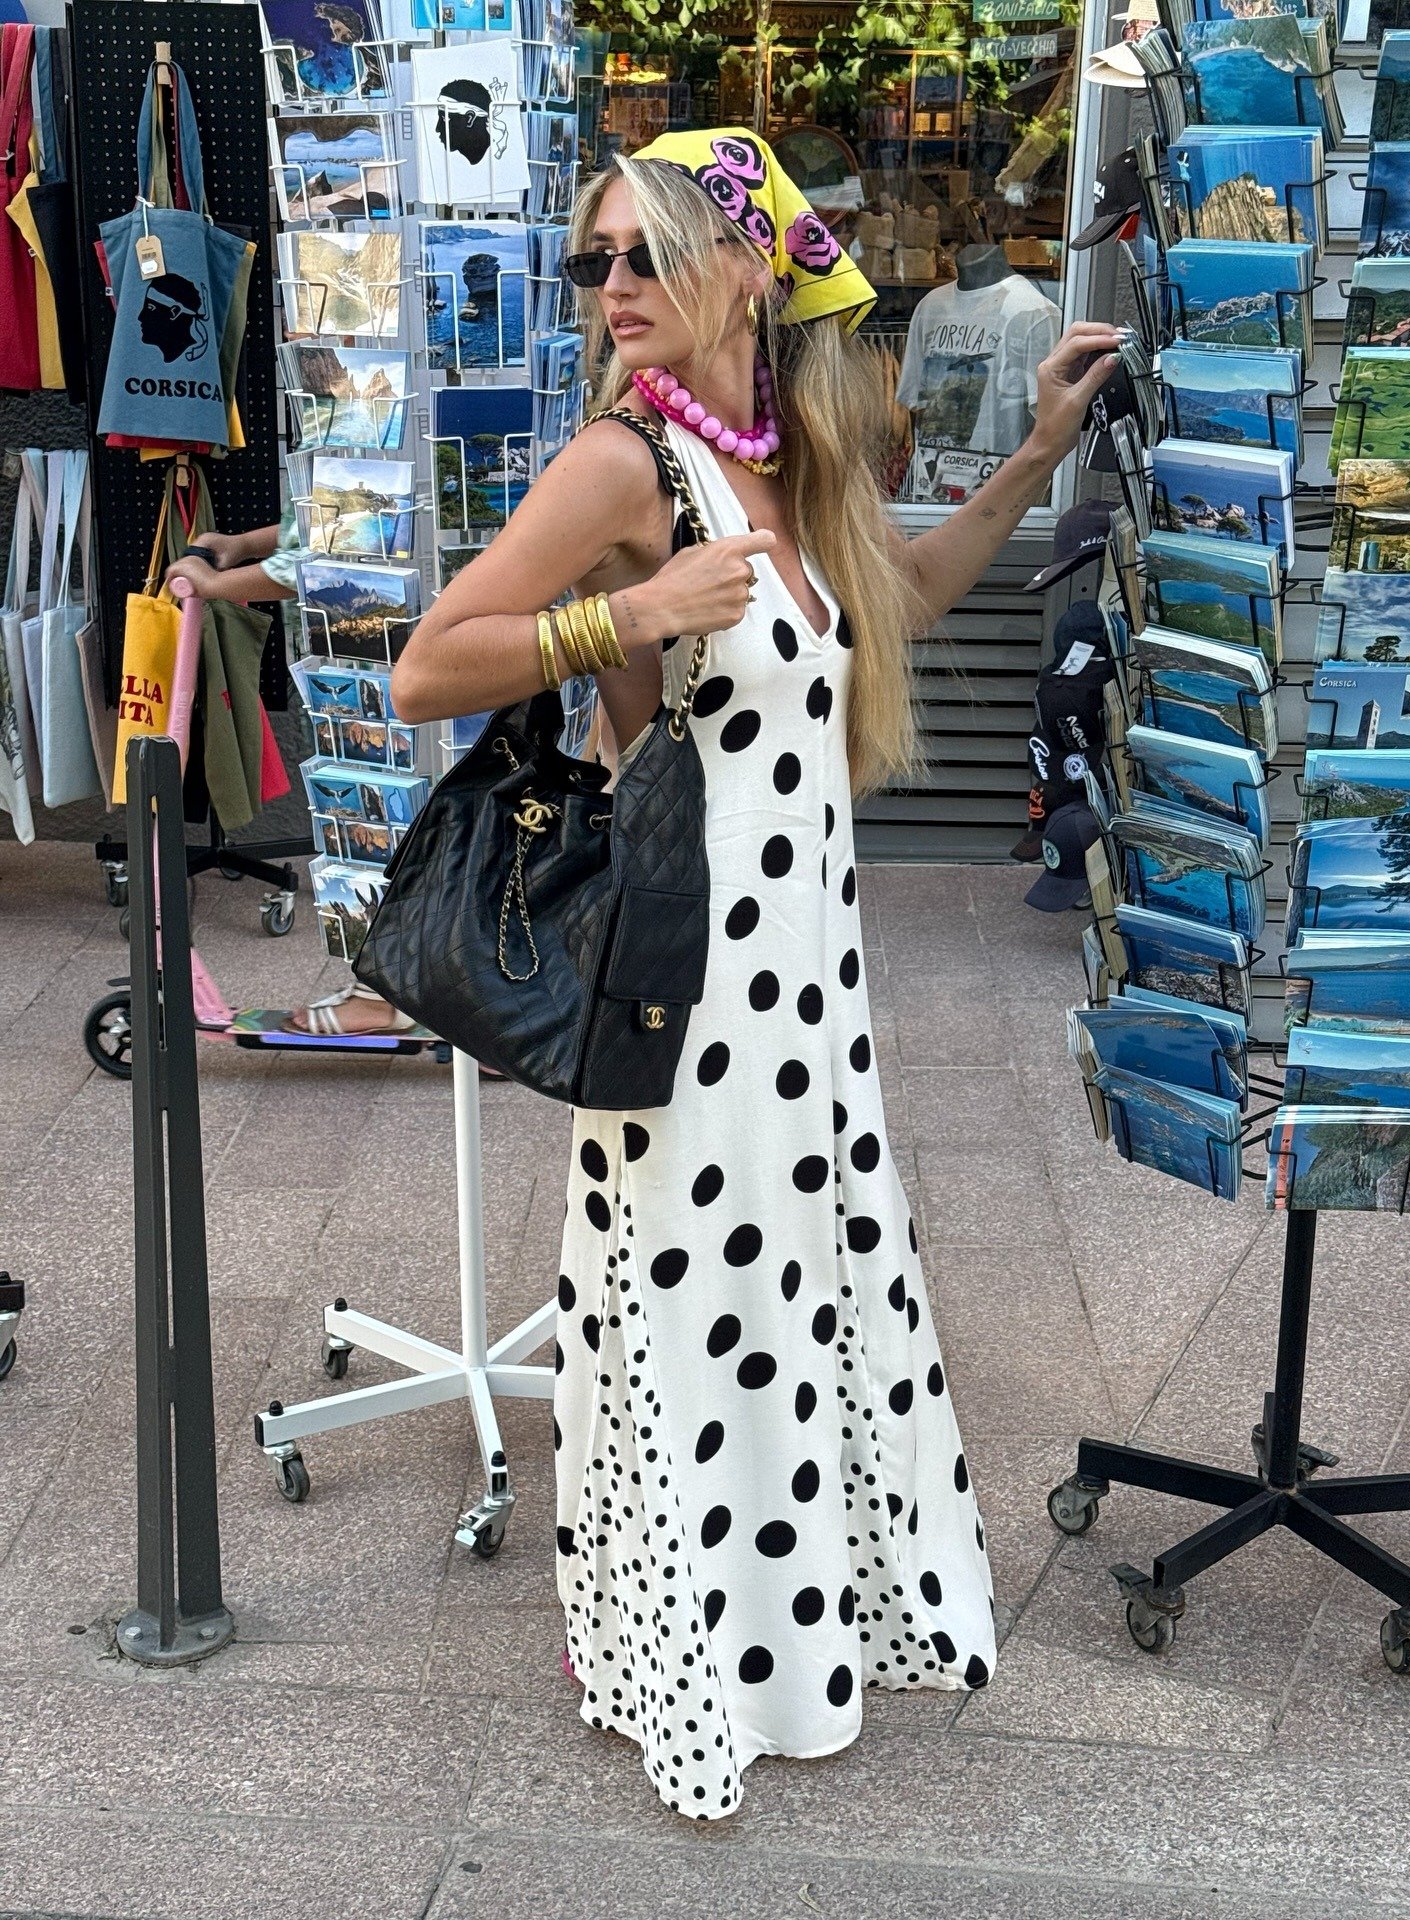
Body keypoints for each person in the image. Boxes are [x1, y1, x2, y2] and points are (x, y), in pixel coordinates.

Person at [390, 127, 1122, 1820]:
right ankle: (676, 1653)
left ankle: (797, 1631)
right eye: (596, 263)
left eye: (643, 254)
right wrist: (624, 623)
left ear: (744, 267)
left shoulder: (787, 455)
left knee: (799, 1302)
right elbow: (435, 664)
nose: (615, 290)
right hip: (685, 985)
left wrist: (1031, 461)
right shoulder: (625, 469)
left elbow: (903, 596)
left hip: (811, 993)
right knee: (688, 1314)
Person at [165, 513, 424, 1041]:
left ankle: (382, 999)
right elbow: (337, 518)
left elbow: (320, 556)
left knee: (375, 829)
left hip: (397, 668)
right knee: (429, 824)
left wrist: (218, 583)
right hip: (427, 657)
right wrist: (242, 542)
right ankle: (467, 994)